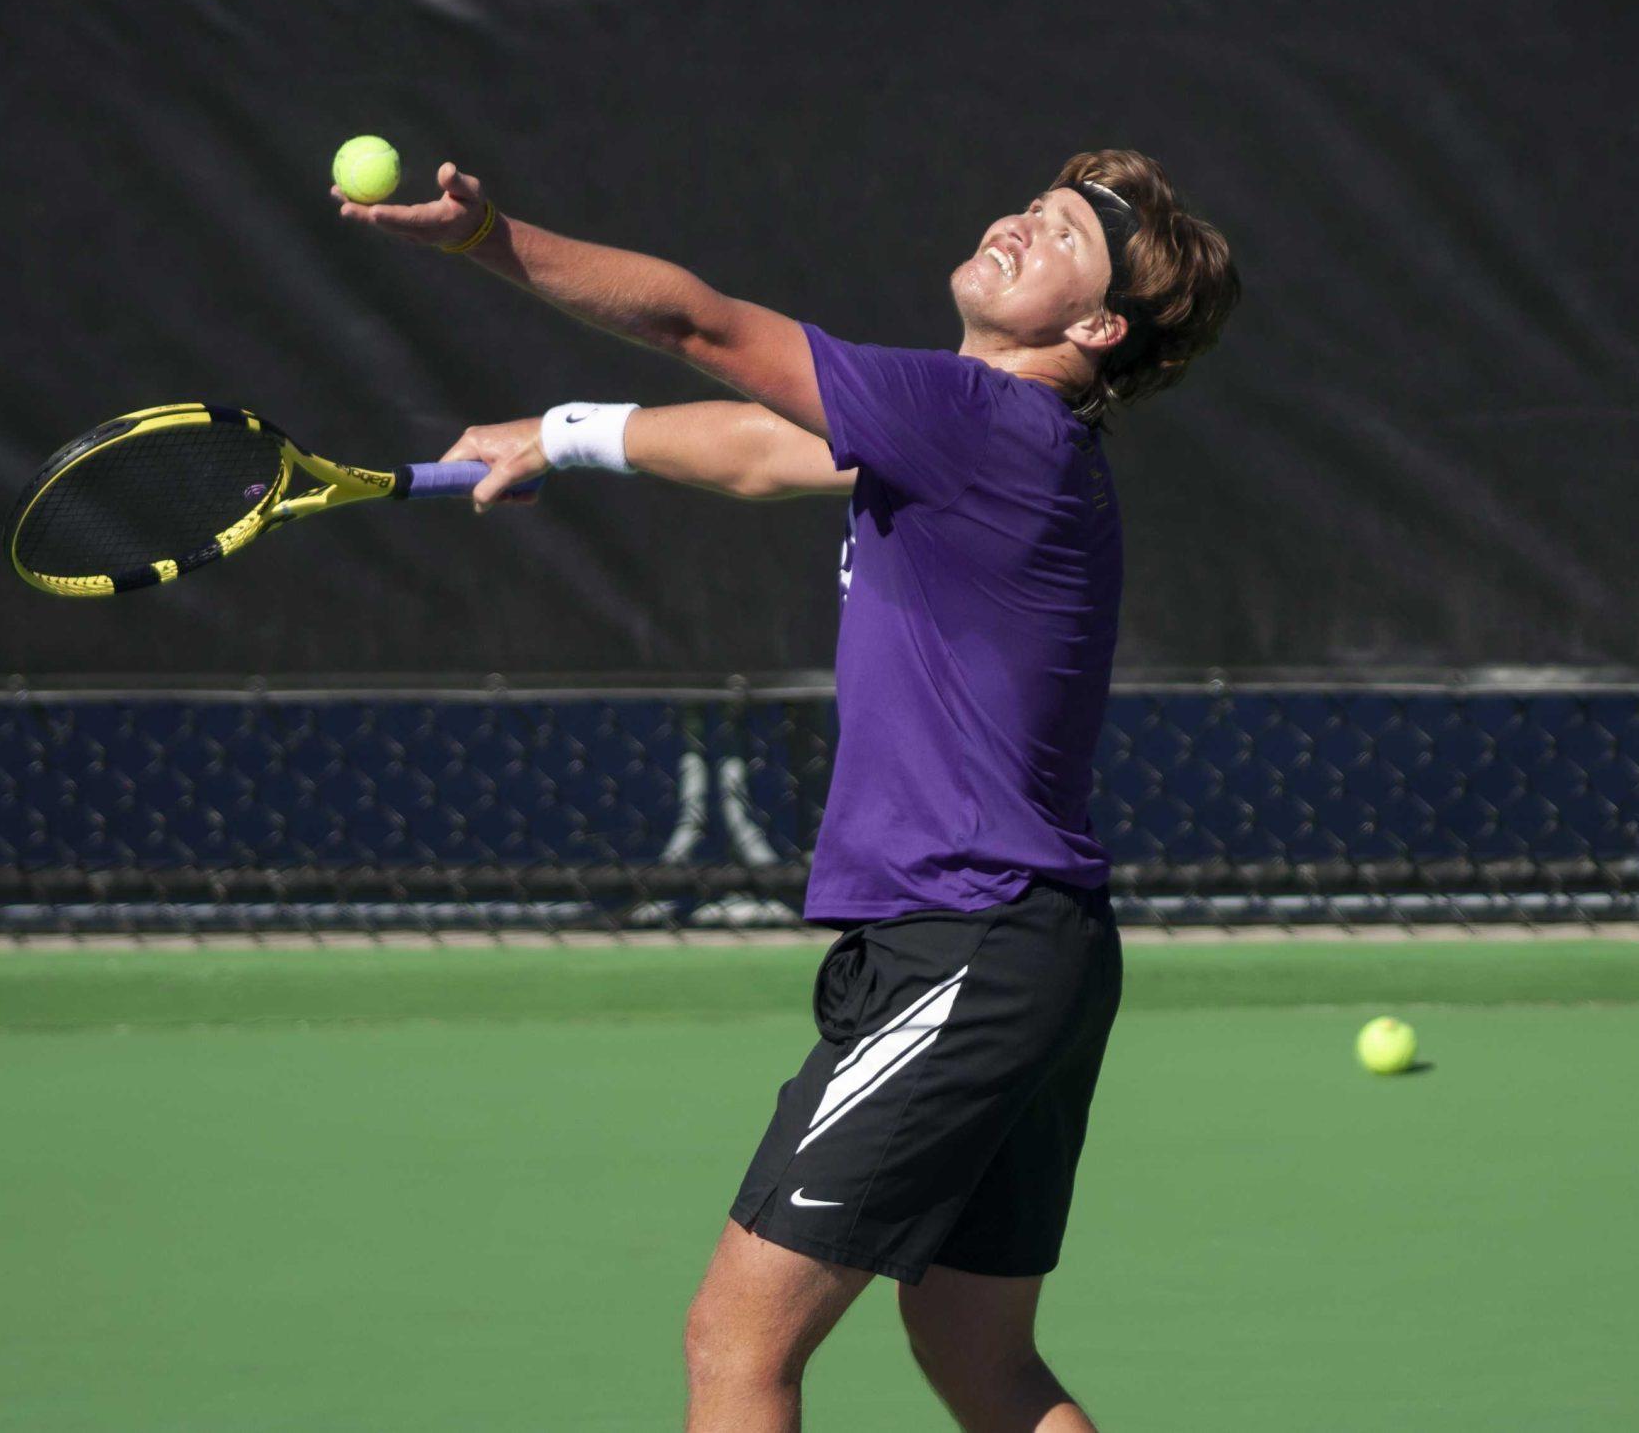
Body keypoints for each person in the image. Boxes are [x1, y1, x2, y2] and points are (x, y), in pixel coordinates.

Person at [338, 149, 1238, 1432]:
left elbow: (696, 324)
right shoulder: (989, 442)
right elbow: (768, 449)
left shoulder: (980, 420)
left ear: (1095, 327)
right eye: (1027, 207)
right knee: (982, 1363)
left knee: (736, 1344)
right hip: (1031, 946)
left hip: (963, 947)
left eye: (1058, 239)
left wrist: (485, 237)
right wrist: (563, 433)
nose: (1015, 226)